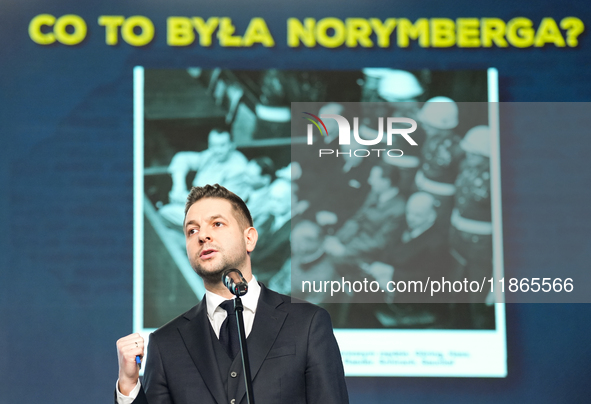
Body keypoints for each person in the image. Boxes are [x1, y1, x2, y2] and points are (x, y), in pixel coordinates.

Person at [116, 185, 348, 404]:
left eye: (217, 224)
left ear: (250, 238)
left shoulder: (307, 324)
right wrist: (128, 386)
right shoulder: (165, 343)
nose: (202, 236)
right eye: (192, 230)